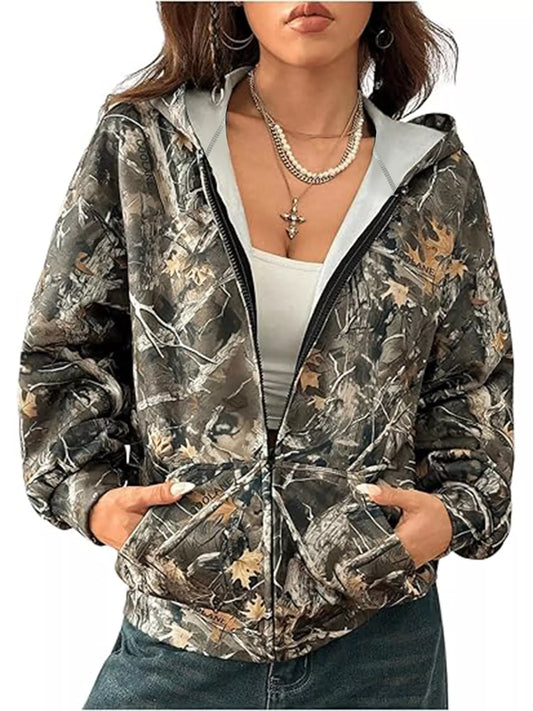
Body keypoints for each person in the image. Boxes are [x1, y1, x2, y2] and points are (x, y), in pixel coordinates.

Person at [18, 2, 514, 709]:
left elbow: (473, 379)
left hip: (380, 647)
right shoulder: (149, 144)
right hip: (181, 636)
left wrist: (454, 513)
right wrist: (93, 501)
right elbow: (65, 348)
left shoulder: (435, 176)